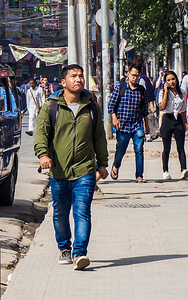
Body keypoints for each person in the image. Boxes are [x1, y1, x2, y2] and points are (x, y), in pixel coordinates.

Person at [34, 64, 108, 270]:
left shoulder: (91, 106)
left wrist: (102, 163)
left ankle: (79, 253)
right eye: (73, 76)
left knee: (82, 211)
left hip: (85, 170)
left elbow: (99, 137)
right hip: (59, 171)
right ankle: (64, 248)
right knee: (60, 212)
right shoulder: (52, 106)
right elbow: (41, 133)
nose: (78, 79)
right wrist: (43, 155)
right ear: (64, 82)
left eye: (81, 76)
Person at [108, 63, 149, 181]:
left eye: (137, 76)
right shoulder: (120, 88)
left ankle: (139, 175)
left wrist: (147, 125)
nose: (134, 78)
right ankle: (116, 166)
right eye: (132, 75)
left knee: (139, 149)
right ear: (128, 74)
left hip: (137, 124)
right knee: (121, 149)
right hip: (123, 125)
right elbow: (111, 105)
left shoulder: (141, 90)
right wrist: (114, 118)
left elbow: (144, 109)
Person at [158, 70, 188, 180]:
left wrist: (184, 124)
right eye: (168, 80)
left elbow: (184, 110)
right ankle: (165, 170)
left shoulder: (183, 93)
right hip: (167, 119)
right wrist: (166, 92)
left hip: (178, 120)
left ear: (176, 79)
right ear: (165, 82)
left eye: (173, 79)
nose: (171, 82)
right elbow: (162, 106)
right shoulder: (162, 92)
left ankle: (184, 169)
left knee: (181, 146)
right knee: (167, 147)